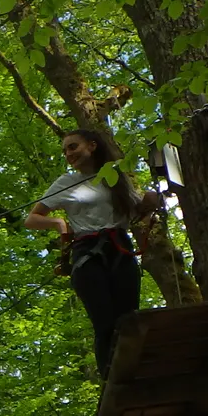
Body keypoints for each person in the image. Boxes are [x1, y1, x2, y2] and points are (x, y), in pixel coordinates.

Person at [25, 130, 162, 376]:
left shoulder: (115, 179)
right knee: (105, 324)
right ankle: (111, 380)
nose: (68, 154)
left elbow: (137, 210)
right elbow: (32, 218)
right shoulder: (66, 183)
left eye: (73, 147)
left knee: (129, 319)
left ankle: (136, 374)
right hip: (88, 252)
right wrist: (60, 224)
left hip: (120, 247)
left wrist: (151, 200)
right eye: (65, 151)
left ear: (92, 146)